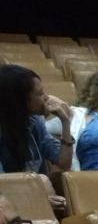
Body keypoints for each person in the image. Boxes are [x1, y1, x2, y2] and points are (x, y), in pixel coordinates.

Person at [0, 65, 72, 203]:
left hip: (36, 194)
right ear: (20, 101)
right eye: (39, 94)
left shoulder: (35, 122)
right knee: (43, 180)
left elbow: (64, 163)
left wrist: (65, 122)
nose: (47, 97)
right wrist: (37, 200)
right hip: (9, 202)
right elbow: (2, 186)